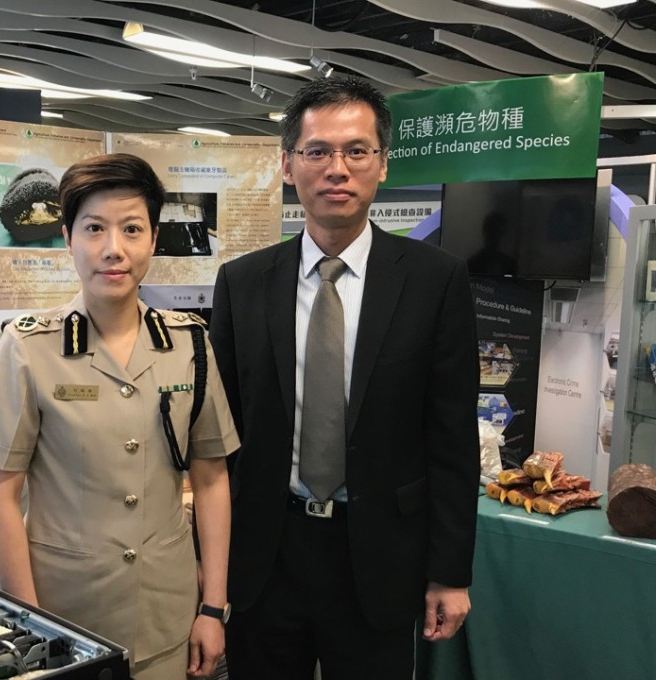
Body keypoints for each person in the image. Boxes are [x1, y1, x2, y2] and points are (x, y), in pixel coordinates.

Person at [209, 77, 480, 679]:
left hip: (381, 554)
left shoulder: (435, 282)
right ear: (287, 164)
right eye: (318, 151)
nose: (338, 168)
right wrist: (211, 573)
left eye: (357, 151)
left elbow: (454, 440)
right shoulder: (243, 283)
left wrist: (450, 573)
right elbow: (222, 439)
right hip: (266, 554)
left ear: (383, 165)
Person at [0, 153, 237, 680]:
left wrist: (212, 607)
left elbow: (211, 478)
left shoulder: (189, 345)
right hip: (65, 619)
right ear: (68, 237)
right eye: (94, 228)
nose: (114, 249)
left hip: (167, 614)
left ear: (154, 239)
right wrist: (30, 624)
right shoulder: (28, 347)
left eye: (132, 229)